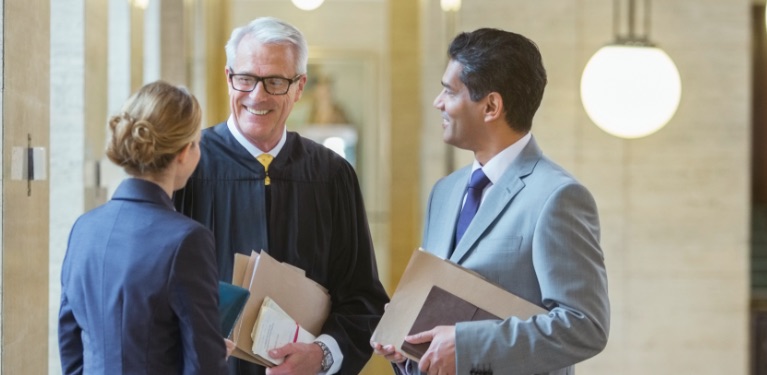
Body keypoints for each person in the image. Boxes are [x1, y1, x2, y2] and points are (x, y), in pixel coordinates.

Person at [372, 28, 610, 375]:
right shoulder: (444, 192)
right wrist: (408, 348)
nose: (438, 102)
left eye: (449, 91)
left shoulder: (558, 197)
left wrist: (467, 345)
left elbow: (585, 326)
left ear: (491, 106)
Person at [173, 17, 389, 375]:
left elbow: (362, 299)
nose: (257, 95)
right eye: (245, 79)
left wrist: (321, 355)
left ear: (299, 86)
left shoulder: (331, 175)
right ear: (228, 77)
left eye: (275, 81)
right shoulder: (187, 166)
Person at [58, 81, 231, 374]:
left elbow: (70, 343)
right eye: (197, 143)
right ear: (183, 152)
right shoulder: (187, 239)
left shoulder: (83, 228)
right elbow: (204, 367)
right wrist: (214, 351)